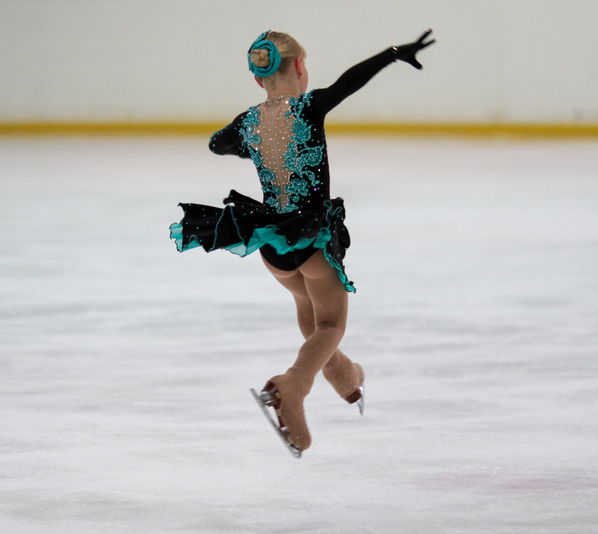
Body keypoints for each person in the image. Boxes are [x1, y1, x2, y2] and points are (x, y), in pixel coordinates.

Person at [170, 29, 435, 454]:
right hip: (311, 238)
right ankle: (293, 386)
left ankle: (346, 379)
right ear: (299, 66)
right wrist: (394, 54)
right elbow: (351, 81)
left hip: (272, 246)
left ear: (258, 78)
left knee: (312, 320)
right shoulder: (310, 106)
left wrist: (252, 145)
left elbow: (217, 144)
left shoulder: (249, 121)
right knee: (331, 326)